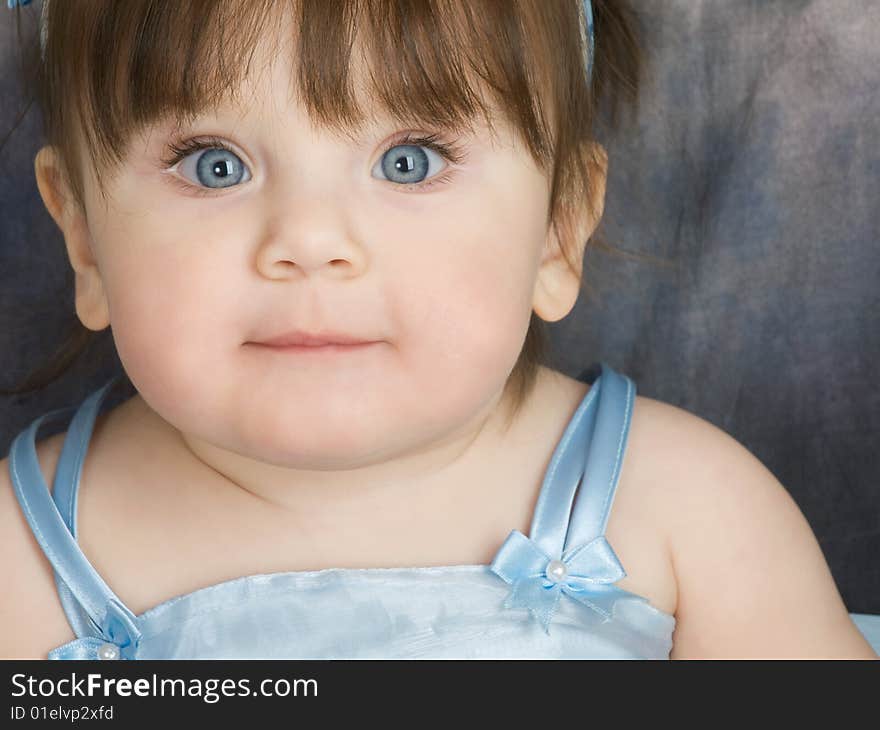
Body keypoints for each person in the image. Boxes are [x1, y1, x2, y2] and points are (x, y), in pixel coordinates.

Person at [0, 0, 875, 660]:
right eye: (213, 165)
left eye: (407, 161)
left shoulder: (690, 510)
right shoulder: (23, 559)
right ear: (82, 233)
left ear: (559, 229)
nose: (310, 243)